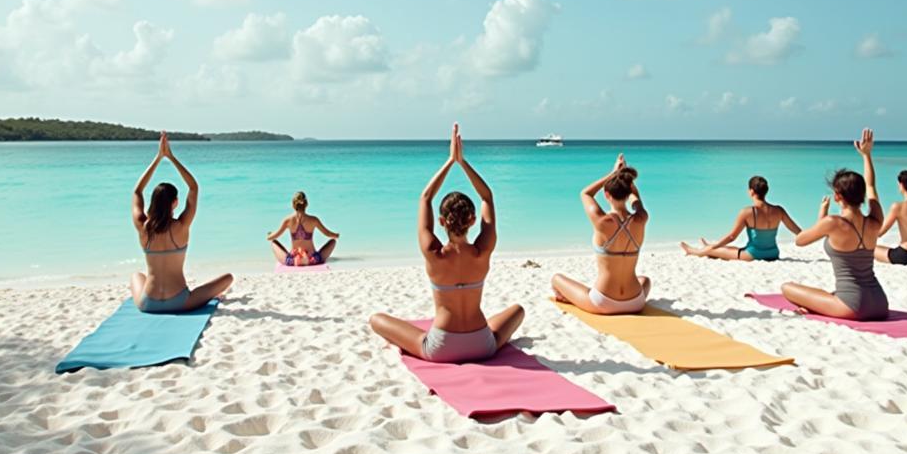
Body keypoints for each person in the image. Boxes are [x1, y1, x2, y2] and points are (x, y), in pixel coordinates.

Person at [369, 124, 523, 363]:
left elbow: (425, 197)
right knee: (518, 311)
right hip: (483, 345)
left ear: (441, 221)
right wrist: (463, 163)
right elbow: (487, 196)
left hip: (442, 347)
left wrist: (450, 161)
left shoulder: (433, 253)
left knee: (376, 320)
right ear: (473, 220)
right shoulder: (483, 250)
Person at [781, 129, 888, 320]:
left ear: (837, 196)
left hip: (853, 306)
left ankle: (821, 306)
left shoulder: (832, 222)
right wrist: (867, 155)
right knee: (828, 293)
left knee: (787, 288)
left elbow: (800, 240)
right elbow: (871, 186)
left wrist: (822, 213)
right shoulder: (875, 220)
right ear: (861, 195)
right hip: (880, 303)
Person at [130, 132, 233, 312]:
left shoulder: (142, 226)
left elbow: (137, 191)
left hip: (148, 304)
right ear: (175, 202)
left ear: (153, 202)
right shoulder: (181, 226)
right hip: (179, 302)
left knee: (136, 276)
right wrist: (171, 157)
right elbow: (193, 187)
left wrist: (157, 158)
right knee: (228, 278)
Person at [551, 154, 651, 315]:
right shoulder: (642, 218)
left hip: (604, 302)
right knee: (645, 280)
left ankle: (572, 299)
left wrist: (613, 173)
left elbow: (586, 193)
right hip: (636, 302)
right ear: (628, 193)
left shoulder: (601, 221)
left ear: (606, 195)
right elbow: (636, 200)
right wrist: (625, 179)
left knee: (556, 279)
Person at [680, 176, 801, 261]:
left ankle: (694, 251)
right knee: (732, 249)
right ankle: (710, 246)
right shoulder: (779, 210)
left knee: (713, 250)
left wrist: (715, 246)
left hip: (753, 255)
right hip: (773, 253)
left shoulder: (747, 212)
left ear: (751, 191)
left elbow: (732, 237)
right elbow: (797, 231)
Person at [267, 191, 340, 266]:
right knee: (333, 241)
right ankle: (306, 260)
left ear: (293, 205)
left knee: (274, 242)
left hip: (293, 260)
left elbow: (274, 236)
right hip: (312, 259)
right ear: (306, 204)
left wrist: (269, 235)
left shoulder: (288, 220)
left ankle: (298, 260)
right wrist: (336, 235)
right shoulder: (314, 220)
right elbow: (328, 234)